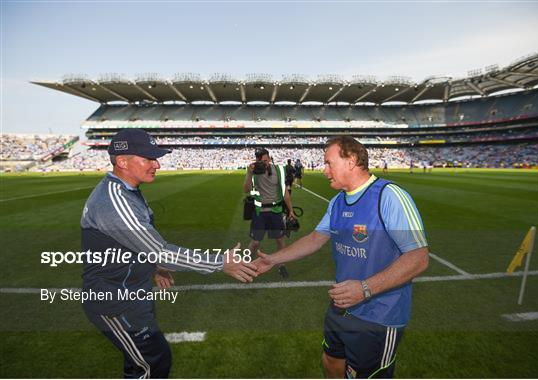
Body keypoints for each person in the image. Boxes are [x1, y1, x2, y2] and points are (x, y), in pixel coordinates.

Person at [81, 129, 257, 378]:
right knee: (153, 362)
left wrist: (154, 268)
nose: (157, 164)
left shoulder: (126, 192)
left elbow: (135, 245)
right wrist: (220, 263)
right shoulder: (114, 201)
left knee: (139, 364)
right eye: (148, 158)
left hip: (131, 294)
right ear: (122, 162)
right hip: (115, 301)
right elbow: (159, 251)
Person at [254, 136, 429, 379]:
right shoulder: (337, 202)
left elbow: (419, 257)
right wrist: (273, 259)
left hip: (379, 314)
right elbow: (315, 239)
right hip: (342, 303)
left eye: (329, 163)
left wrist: (365, 288)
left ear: (352, 161)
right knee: (331, 361)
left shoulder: (389, 196)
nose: (324, 170)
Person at [243, 147, 295, 279]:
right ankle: (244, 265)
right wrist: (249, 173)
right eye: (260, 160)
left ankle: (281, 265)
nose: (263, 163)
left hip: (276, 211)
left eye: (265, 160)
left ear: (270, 158)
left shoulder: (278, 170)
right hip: (260, 212)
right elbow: (246, 189)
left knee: (280, 240)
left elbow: (285, 192)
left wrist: (291, 211)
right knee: (255, 242)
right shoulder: (253, 171)